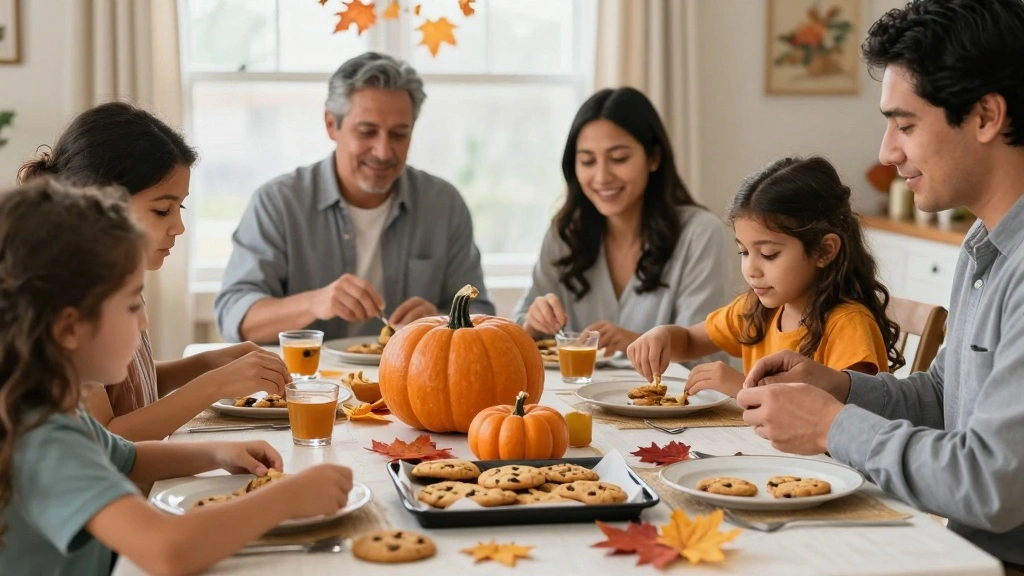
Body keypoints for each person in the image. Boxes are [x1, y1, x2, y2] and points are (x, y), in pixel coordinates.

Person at [735, 0, 1024, 569]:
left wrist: (830, 426)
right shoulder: (983, 248)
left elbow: (991, 486)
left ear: (987, 116)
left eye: (906, 124)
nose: (886, 152)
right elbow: (945, 400)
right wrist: (838, 388)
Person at [0, 178, 353, 576]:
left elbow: (128, 459)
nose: (145, 320)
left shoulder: (49, 408)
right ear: (68, 329)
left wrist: (217, 454)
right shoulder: (43, 437)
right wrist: (289, 498)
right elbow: (168, 550)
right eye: (133, 304)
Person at [18, 102, 291, 441]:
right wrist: (216, 384)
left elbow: (130, 388)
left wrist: (209, 363)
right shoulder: (67, 301)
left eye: (181, 207)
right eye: (162, 210)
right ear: (100, 201)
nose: (178, 227)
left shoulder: (116, 279)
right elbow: (111, 440)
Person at [214, 52, 494, 344]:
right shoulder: (279, 203)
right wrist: (315, 302)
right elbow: (235, 317)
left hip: (415, 381)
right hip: (305, 385)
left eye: (399, 134)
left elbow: (483, 315)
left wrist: (440, 321)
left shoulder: (443, 205)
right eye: (367, 132)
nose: (384, 151)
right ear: (331, 125)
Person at [628, 156, 903, 398]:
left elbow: (847, 422)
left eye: (769, 254)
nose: (751, 270)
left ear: (824, 250)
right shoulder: (757, 309)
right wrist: (661, 335)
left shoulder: (848, 325)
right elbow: (689, 341)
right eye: (744, 252)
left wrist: (743, 389)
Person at [511, 87, 732, 357]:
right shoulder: (565, 233)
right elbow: (514, 336)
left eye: (619, 158)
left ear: (654, 158)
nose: (602, 177)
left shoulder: (700, 234)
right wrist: (533, 323)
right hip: (574, 397)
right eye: (587, 161)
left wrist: (635, 343)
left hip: (675, 398)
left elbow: (705, 352)